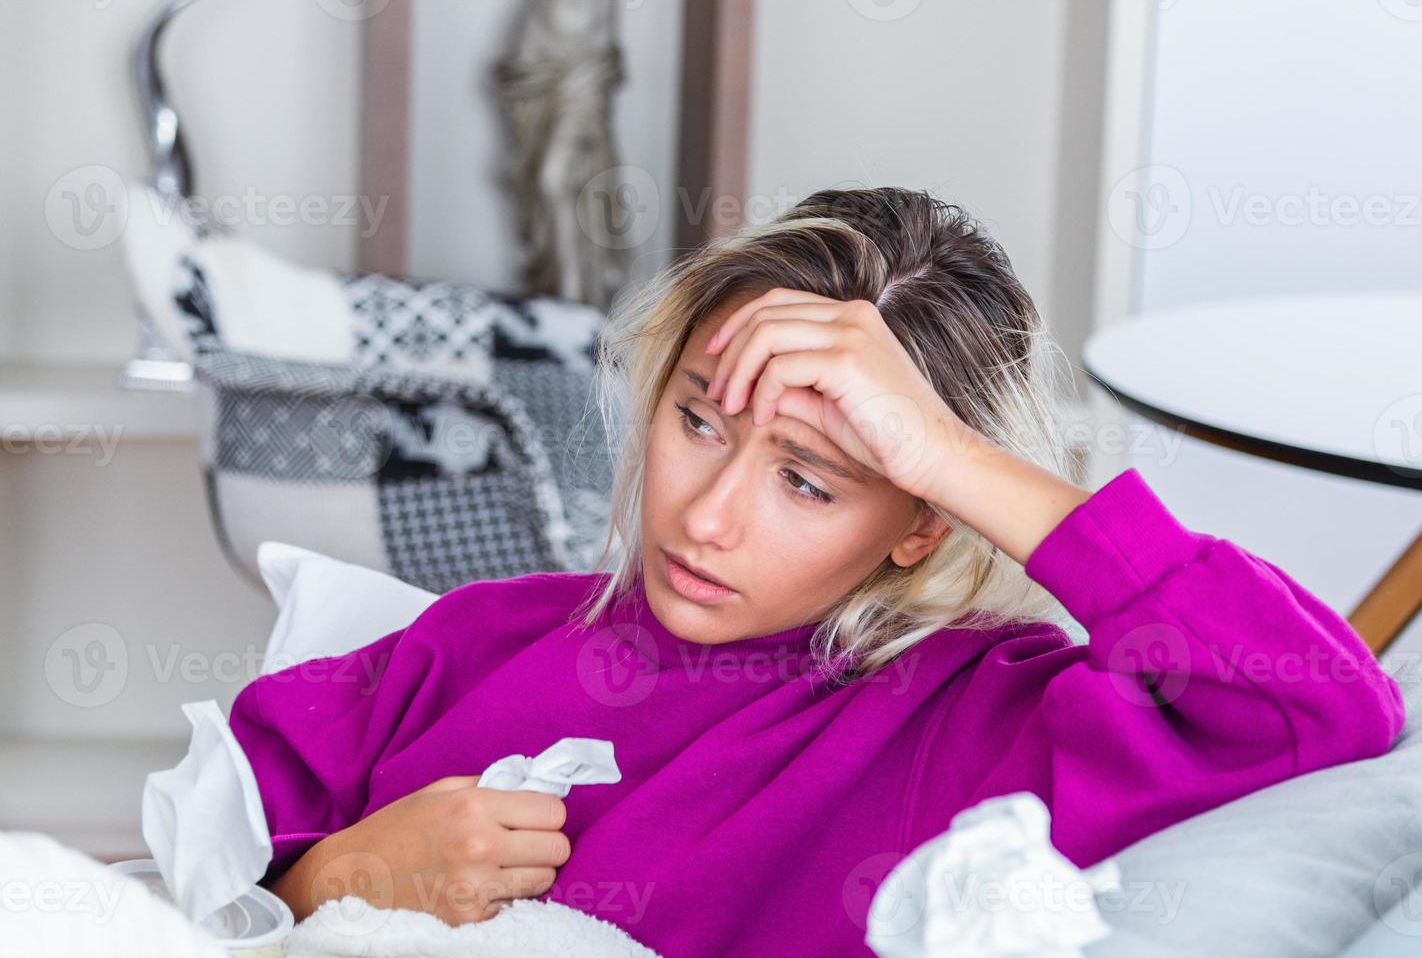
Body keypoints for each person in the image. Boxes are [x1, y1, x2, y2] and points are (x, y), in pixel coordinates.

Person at [229, 187, 1404, 957]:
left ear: (921, 523)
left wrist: (947, 452)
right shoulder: (469, 643)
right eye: (700, 419)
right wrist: (348, 871)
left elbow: (1322, 702)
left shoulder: (979, 712)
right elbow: (188, 891)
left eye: (810, 479)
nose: (710, 513)